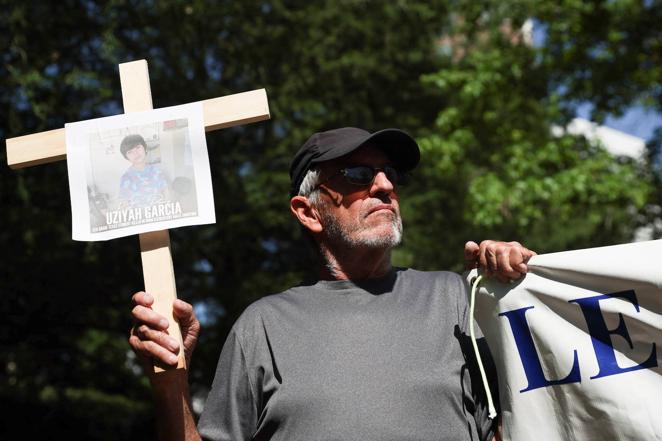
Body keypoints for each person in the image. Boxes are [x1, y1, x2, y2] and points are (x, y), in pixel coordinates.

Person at [129, 127, 536, 441]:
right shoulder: (264, 326)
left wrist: (520, 287)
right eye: (357, 174)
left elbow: (537, 410)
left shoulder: (455, 298)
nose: (385, 186)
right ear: (308, 212)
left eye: (389, 173)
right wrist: (171, 385)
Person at [118, 133, 169, 209]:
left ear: (145, 148)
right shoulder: (126, 178)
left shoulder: (157, 171)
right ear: (126, 157)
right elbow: (124, 204)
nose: (135, 153)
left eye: (138, 147)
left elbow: (166, 194)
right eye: (130, 152)